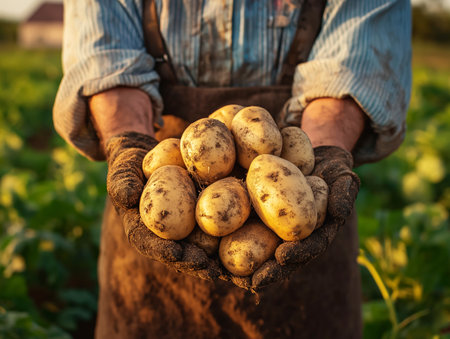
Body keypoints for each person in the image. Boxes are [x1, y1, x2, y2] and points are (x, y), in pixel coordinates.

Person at [53, 0, 411, 338]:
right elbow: (105, 47)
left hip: (305, 288)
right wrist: (127, 139)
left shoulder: (273, 158)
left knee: (305, 227)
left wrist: (327, 146)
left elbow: (358, 48)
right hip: (147, 282)